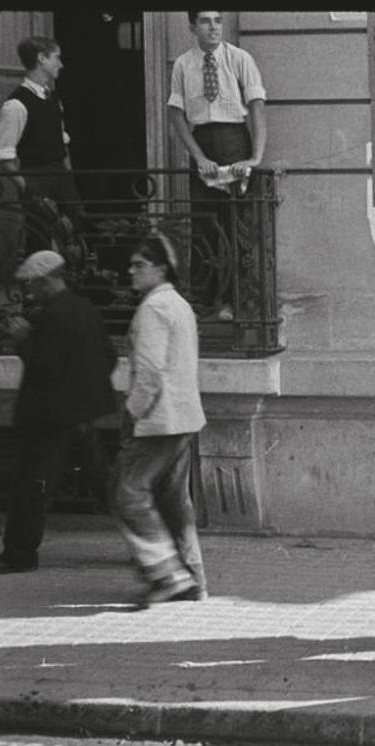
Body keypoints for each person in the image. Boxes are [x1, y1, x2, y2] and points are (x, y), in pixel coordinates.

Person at [0, 251, 117, 575]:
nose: (29, 291)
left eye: (32, 283)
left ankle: (19, 554)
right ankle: (151, 542)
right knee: (104, 484)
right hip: (82, 416)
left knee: (31, 486)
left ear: (46, 280)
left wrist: (23, 340)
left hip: (49, 419)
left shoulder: (50, 317)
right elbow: (109, 356)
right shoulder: (86, 310)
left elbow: (46, 368)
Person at [113, 234, 208, 606]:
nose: (131, 271)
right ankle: (193, 579)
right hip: (183, 416)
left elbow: (150, 372)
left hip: (156, 417)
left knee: (128, 495)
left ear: (160, 268)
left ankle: (168, 574)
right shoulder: (179, 304)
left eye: (139, 264)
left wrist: (133, 411)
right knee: (173, 501)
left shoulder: (153, 308)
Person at [168, 10, 267, 321]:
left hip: (235, 140)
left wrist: (254, 158)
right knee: (205, 227)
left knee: (240, 228)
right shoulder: (184, 64)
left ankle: (242, 303)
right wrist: (199, 157)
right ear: (192, 27)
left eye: (217, 20)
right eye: (205, 21)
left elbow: (257, 111)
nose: (213, 27)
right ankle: (209, 304)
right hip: (204, 146)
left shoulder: (240, 59)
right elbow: (177, 116)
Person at [0, 36, 81, 291]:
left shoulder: (54, 98)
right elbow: (4, 158)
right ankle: (36, 305)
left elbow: (62, 142)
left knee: (75, 237)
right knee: (39, 242)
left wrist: (69, 177)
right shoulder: (16, 105)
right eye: (57, 57)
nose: (61, 64)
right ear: (42, 59)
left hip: (61, 177)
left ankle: (73, 297)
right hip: (36, 178)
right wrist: (28, 189)